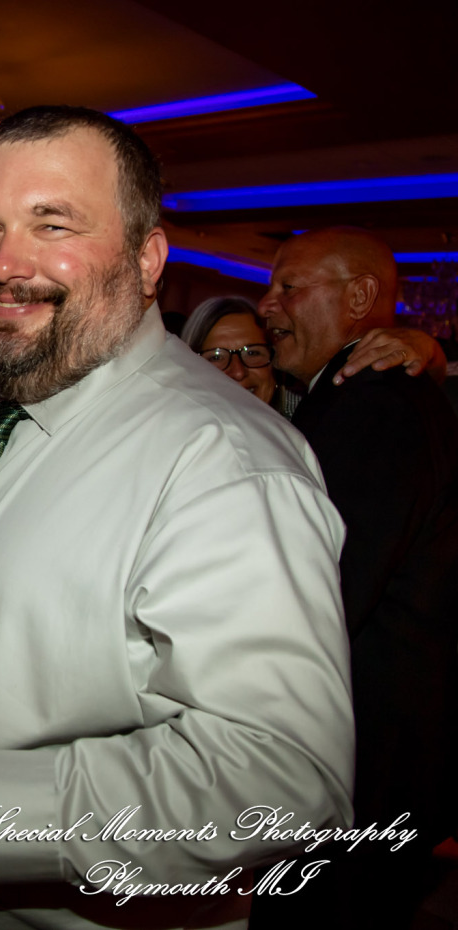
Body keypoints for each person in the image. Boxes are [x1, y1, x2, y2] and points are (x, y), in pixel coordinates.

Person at [0, 106, 354, 930]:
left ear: (147, 260)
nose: (2, 263)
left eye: (51, 222)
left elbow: (284, 778)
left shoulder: (224, 460)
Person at [251, 227, 458, 929]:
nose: (267, 303)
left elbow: (327, 593)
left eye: (288, 287)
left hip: (365, 758)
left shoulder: (373, 402)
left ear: (361, 297)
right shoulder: (361, 394)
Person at [183, 295, 444, 419]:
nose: (238, 371)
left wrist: (428, 348)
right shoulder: (172, 435)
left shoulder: (310, 420)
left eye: (253, 353)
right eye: (216, 357)